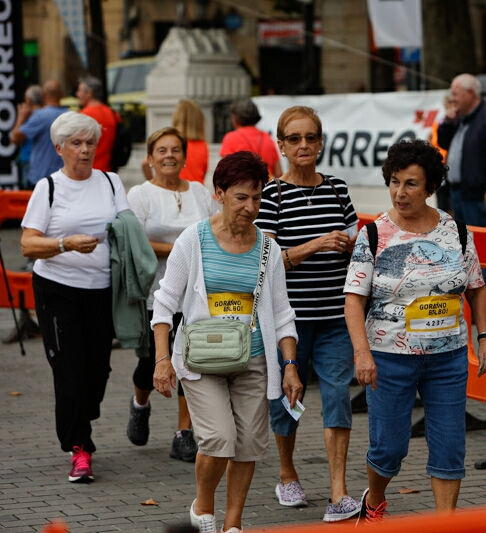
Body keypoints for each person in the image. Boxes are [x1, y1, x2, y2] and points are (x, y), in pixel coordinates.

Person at [344, 139, 486, 523]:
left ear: (430, 188)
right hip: (389, 358)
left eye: (411, 183)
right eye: (394, 181)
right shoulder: (375, 234)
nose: (400, 192)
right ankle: (375, 500)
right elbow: (353, 300)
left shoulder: (455, 230)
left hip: (448, 357)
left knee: (449, 447)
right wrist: (362, 354)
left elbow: (476, 288)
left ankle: (445, 523)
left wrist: (484, 338)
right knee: (389, 449)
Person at [152, 151, 302, 533]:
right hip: (202, 359)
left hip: (252, 359)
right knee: (219, 437)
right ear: (219, 193)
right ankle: (203, 504)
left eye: (257, 198)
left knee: (250, 444)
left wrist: (289, 366)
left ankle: (232, 525)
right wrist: (161, 359)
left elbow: (283, 313)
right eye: (241, 197)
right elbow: (165, 301)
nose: (251, 207)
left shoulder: (267, 249)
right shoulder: (195, 240)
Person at [254, 106, 361, 522]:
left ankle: (338, 492)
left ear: (320, 142)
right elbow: (265, 261)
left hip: (336, 316)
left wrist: (350, 247)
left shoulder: (336, 188)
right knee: (287, 400)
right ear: (281, 145)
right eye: (294, 139)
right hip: (289, 323)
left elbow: (353, 242)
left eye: (311, 138)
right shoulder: (271, 195)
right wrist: (315, 245)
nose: (304, 146)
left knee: (337, 396)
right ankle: (287, 473)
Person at [20, 111, 131, 483]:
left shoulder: (111, 182)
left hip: (102, 290)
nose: (85, 151)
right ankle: (80, 449)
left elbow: (127, 231)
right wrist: (64, 243)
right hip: (57, 289)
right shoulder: (48, 188)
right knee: (69, 372)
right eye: (76, 144)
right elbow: (27, 243)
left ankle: (81, 417)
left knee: (97, 371)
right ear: (59, 148)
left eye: (91, 143)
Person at [126, 127, 219, 462]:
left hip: (195, 292)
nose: (169, 156)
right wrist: (180, 250)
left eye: (175, 150)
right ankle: (140, 403)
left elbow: (213, 232)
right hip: (156, 292)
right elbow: (134, 243)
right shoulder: (140, 194)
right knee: (151, 361)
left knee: (190, 361)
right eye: (161, 150)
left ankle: (184, 433)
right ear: (150, 158)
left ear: (183, 156)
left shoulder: (198, 191)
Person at [437, 73, 486, 322]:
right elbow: (445, 143)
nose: (452, 98)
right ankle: (471, 302)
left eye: (456, 93)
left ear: (471, 93)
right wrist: (448, 121)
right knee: (464, 251)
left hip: (478, 195)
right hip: (458, 193)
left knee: (483, 250)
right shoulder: (461, 118)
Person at [10, 80, 67, 188]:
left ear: (44, 95)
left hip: (40, 178)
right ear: (62, 94)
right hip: (63, 177)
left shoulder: (41, 116)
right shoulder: (70, 115)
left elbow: (15, 137)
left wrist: (21, 117)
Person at [141, 100, 209, 184]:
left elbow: (145, 163)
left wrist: (153, 182)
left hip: (174, 188)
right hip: (197, 193)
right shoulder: (203, 146)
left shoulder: (173, 143)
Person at [220, 97, 282, 178]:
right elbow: (279, 173)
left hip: (241, 188)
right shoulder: (267, 138)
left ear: (235, 118)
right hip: (266, 187)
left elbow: (224, 172)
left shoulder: (231, 138)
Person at [76, 76, 118, 172]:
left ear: (89, 93)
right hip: (108, 169)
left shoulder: (83, 115)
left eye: (79, 91)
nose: (77, 94)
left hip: (88, 170)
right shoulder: (112, 113)